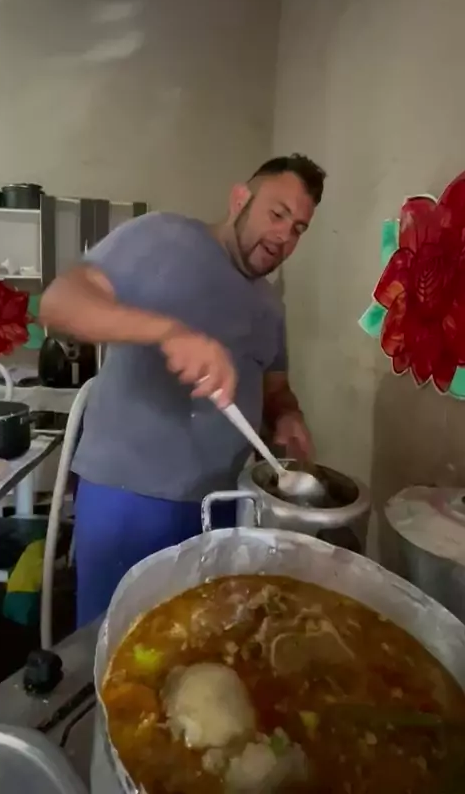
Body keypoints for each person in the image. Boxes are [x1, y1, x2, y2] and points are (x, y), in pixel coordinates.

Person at [39, 153, 326, 626]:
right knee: (115, 640)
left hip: (222, 507)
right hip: (129, 497)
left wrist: (287, 415)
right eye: (277, 214)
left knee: (196, 645)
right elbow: (59, 304)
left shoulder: (269, 306)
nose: (284, 236)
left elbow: (275, 388)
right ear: (240, 199)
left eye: (298, 228)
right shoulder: (161, 236)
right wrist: (168, 331)